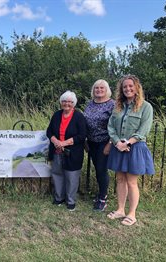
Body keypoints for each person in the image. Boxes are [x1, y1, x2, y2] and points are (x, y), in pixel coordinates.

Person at [106, 75, 154, 226]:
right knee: (120, 179)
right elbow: (111, 126)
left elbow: (143, 130)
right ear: (121, 89)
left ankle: (132, 214)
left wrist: (127, 142)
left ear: (136, 88)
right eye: (125, 87)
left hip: (135, 148)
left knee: (132, 182)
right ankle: (120, 209)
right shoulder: (117, 106)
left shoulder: (146, 107)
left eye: (130, 86)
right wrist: (116, 142)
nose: (127, 89)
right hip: (118, 147)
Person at [46, 91, 87, 211]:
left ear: (73, 103)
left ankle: (71, 200)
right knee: (57, 174)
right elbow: (49, 131)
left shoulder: (79, 116)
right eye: (64, 101)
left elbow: (82, 135)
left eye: (69, 102)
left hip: (73, 152)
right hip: (57, 151)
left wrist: (64, 143)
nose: (66, 104)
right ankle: (59, 197)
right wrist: (55, 141)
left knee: (71, 176)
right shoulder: (57, 115)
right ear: (61, 102)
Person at [84, 79, 115, 211]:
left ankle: (103, 198)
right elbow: (85, 122)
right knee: (97, 169)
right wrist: (85, 140)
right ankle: (100, 193)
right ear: (93, 90)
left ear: (107, 89)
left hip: (104, 142)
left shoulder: (112, 104)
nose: (99, 90)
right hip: (91, 142)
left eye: (102, 88)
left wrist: (110, 143)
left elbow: (115, 125)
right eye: (96, 88)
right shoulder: (90, 104)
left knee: (102, 170)